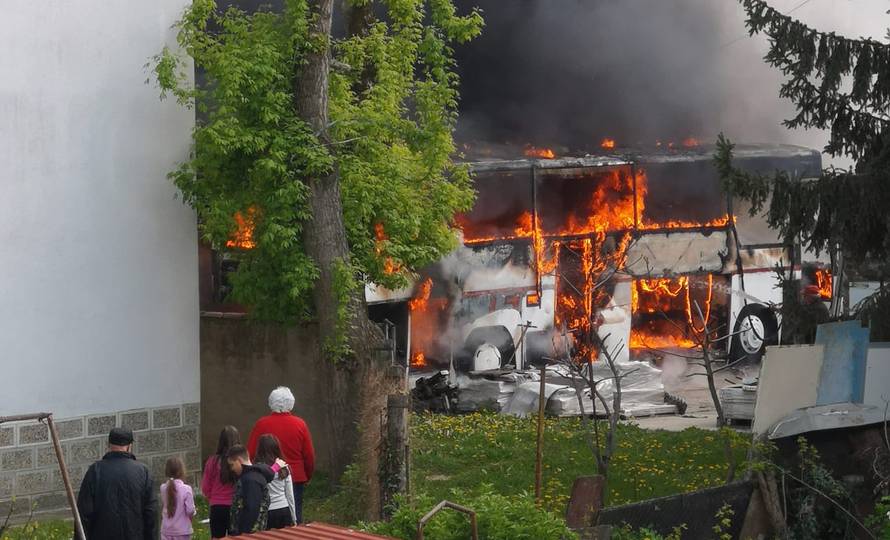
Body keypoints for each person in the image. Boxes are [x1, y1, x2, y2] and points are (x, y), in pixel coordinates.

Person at [247, 386, 315, 523]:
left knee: (267, 515)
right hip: (295, 476)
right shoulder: (300, 424)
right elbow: (309, 455)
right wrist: (308, 475)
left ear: (271, 402)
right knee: (295, 512)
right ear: (291, 403)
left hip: (267, 476)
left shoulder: (261, 424)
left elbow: (251, 452)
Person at [76, 427, 157, 540]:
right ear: (129, 446)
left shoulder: (95, 471)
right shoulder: (143, 472)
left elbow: (83, 513)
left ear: (109, 445)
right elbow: (151, 513)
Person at [202, 425, 241, 539]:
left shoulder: (212, 461)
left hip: (217, 506)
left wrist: (212, 497)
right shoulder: (240, 462)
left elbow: (205, 487)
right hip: (235, 506)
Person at [226, 445, 275, 535]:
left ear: (239, 461)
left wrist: (242, 533)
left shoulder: (251, 480)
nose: (232, 469)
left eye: (232, 465)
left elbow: (252, 508)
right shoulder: (252, 477)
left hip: (250, 533)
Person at [255, 434, 296, 529]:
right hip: (284, 509)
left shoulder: (257, 469)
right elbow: (289, 495)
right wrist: (294, 517)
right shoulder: (284, 468)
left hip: (267, 511)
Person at [161, 456, 196, 540]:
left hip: (166, 529)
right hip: (182, 530)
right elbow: (190, 510)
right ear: (182, 471)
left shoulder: (163, 488)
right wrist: (194, 511)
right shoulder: (186, 489)